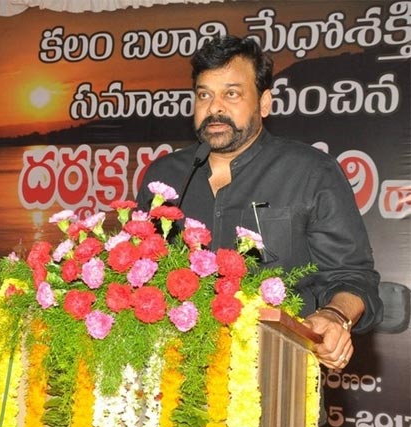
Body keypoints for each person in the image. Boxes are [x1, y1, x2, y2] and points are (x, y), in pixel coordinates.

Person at [136, 35, 383, 370]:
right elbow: (137, 273)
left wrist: (334, 315)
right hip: (174, 379)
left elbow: (352, 277)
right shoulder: (165, 177)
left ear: (264, 103)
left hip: (277, 376)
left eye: (232, 93)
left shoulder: (310, 172)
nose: (215, 107)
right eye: (204, 94)